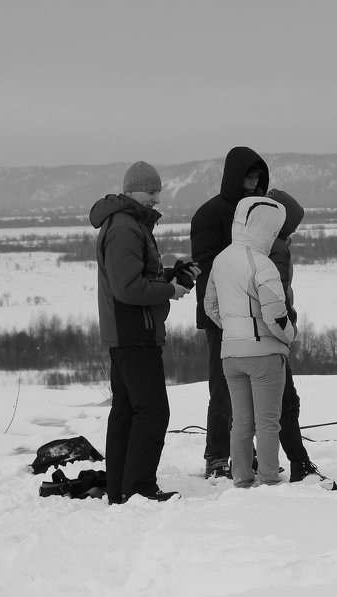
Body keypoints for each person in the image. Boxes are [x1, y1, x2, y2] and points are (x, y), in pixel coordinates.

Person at [90, 161, 196, 504]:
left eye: (158, 192)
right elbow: (128, 288)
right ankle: (138, 487)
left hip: (127, 332)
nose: (157, 199)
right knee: (152, 411)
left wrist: (170, 275)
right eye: (151, 192)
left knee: (127, 410)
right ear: (132, 191)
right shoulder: (124, 227)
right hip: (134, 333)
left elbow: (136, 276)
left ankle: (122, 486)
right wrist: (170, 291)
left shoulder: (129, 223)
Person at [203, 196, 295, 488]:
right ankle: (269, 477)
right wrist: (289, 336)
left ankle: (241, 477)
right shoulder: (262, 263)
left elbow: (210, 306)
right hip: (264, 354)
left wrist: (232, 328)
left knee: (241, 422)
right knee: (268, 422)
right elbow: (275, 315)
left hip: (231, 354)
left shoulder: (221, 260)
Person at [192, 146, 269, 478]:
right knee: (223, 387)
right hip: (221, 314)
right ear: (235, 176)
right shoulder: (210, 214)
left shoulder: (256, 213)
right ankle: (217, 455)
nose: (253, 184)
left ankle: (242, 451)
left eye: (258, 178)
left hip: (253, 313)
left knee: (251, 387)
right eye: (249, 177)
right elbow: (207, 267)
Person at [264, 188, 326, 482]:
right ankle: (298, 463)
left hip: (253, 337)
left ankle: (255, 461)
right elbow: (278, 296)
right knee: (287, 402)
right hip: (273, 336)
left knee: (260, 405)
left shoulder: (254, 244)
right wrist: (288, 327)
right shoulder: (276, 248)